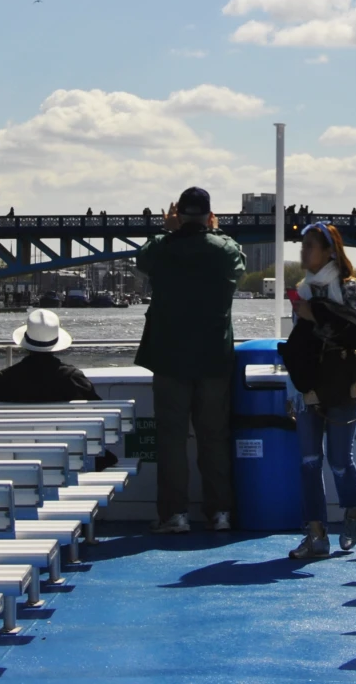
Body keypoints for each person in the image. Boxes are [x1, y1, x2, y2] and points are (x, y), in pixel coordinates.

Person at [134, 186, 246, 534]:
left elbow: (142, 260)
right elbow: (237, 262)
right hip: (214, 357)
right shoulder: (224, 249)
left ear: (178, 214)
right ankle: (221, 512)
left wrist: (168, 230)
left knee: (171, 439)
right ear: (210, 216)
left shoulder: (163, 248)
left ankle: (175, 515)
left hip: (169, 357)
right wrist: (213, 231)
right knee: (215, 436)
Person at [277, 221, 356, 560]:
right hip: (309, 384)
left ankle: (354, 506)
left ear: (329, 251)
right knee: (308, 460)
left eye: (309, 247)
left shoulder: (346, 288)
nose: (303, 252)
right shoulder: (302, 290)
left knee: (338, 460)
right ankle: (315, 534)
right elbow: (300, 346)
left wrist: (315, 315)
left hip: (343, 382)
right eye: (302, 246)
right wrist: (293, 390)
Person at [0, 308, 102, 403]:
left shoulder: (5, 379)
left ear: (26, 344)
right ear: (56, 345)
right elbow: (97, 408)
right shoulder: (74, 378)